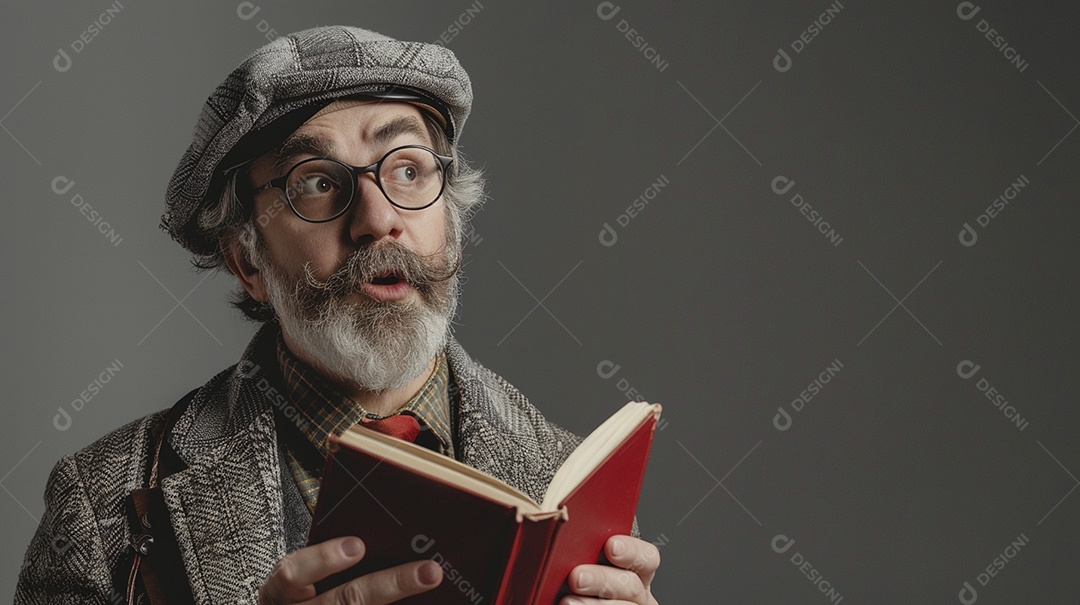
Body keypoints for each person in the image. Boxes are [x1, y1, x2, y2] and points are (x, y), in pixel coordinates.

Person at [15, 25, 660, 605]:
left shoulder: (573, 493)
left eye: (408, 169)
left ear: (452, 226)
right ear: (247, 260)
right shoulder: (100, 509)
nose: (379, 219)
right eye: (319, 182)